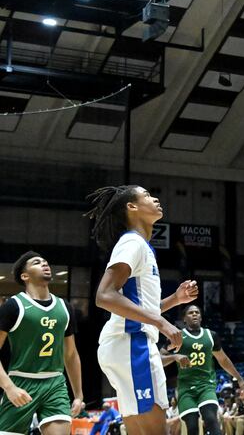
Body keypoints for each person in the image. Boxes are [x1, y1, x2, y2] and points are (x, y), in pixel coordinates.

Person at [86, 185, 199, 435]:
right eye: (147, 195)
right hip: (132, 343)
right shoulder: (132, 243)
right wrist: (161, 323)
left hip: (126, 343)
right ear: (132, 207)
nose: (155, 198)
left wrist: (174, 300)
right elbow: (104, 295)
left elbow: (140, 309)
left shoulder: (140, 246)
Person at [0, 251, 84, 435]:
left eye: (46, 262)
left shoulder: (64, 307)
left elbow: (70, 354)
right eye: (37, 263)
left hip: (55, 383)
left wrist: (78, 395)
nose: (45, 264)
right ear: (25, 276)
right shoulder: (13, 306)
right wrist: (9, 387)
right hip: (21, 381)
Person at [161, 305, 244, 435]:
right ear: (184, 319)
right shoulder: (178, 337)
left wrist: (239, 378)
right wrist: (174, 357)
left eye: (197, 312)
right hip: (185, 388)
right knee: (192, 426)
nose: (194, 314)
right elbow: (159, 359)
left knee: (211, 419)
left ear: (200, 317)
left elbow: (223, 360)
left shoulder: (210, 336)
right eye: (190, 313)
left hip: (206, 385)